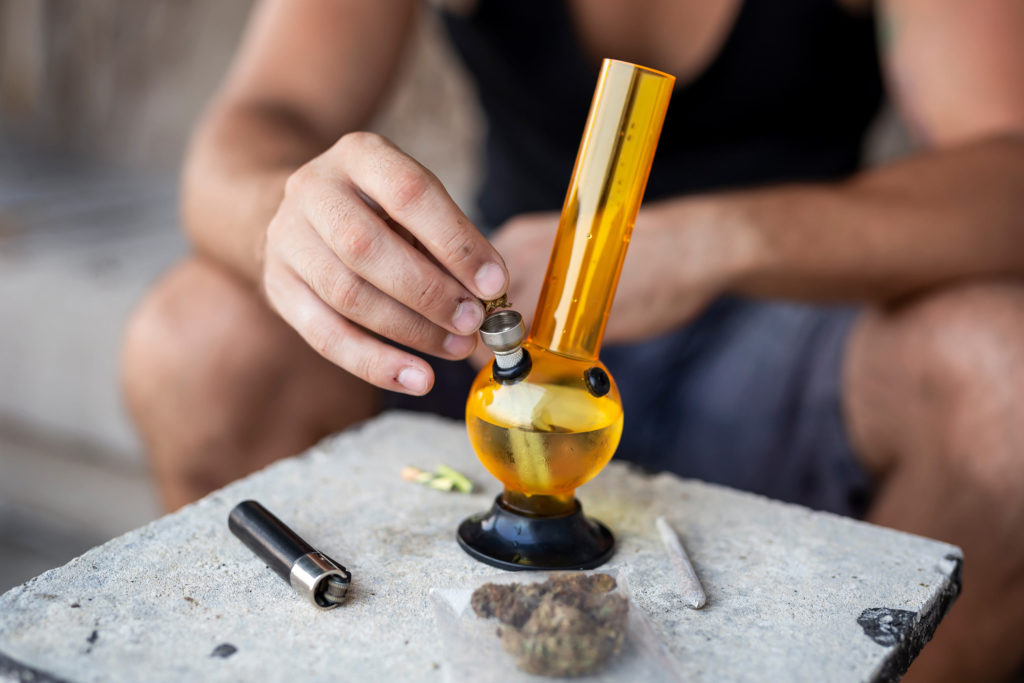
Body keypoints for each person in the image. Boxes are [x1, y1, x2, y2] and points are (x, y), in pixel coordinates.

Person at [121, 0, 1024, 679]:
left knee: (1007, 378)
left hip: (789, 329)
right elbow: (256, 121)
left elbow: (1008, 170)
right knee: (196, 339)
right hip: (497, 322)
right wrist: (292, 224)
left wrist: (718, 241)